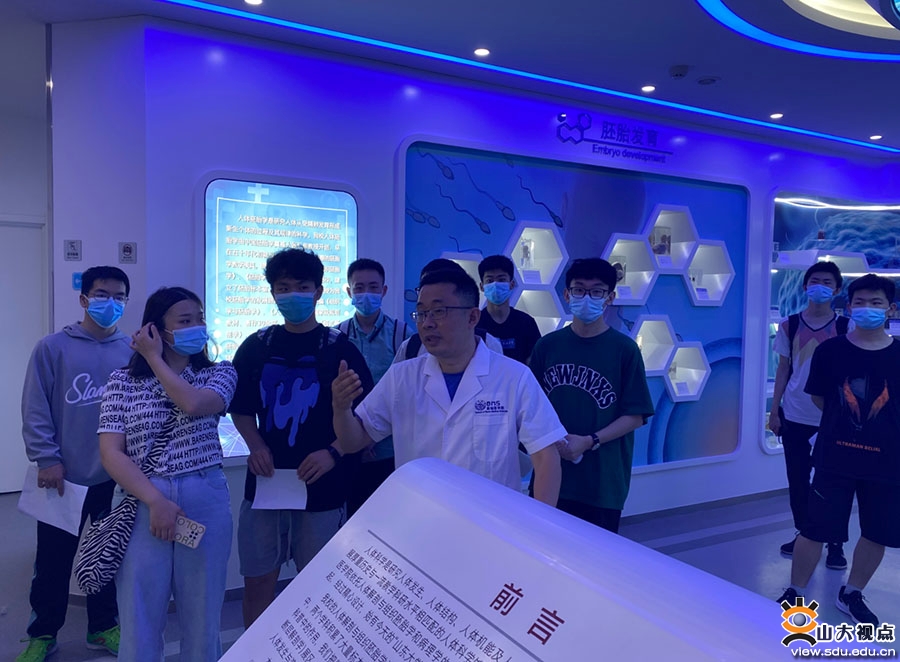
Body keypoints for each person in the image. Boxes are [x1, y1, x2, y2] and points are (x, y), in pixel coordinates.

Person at [328, 268, 564, 505]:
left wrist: (538, 522)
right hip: (418, 516)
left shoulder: (514, 377)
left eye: (439, 312)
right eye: (421, 313)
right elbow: (353, 441)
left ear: (472, 317)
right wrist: (341, 409)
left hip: (489, 520)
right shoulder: (402, 377)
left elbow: (546, 456)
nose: (427, 323)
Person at [229, 248, 373, 627]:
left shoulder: (340, 349)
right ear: (272, 293)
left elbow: (365, 420)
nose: (292, 294)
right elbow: (240, 407)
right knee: (258, 581)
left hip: (323, 486)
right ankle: (256, 652)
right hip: (266, 485)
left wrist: (333, 452)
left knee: (318, 585)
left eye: (302, 286)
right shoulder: (256, 346)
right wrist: (255, 444)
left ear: (318, 292)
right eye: (283, 287)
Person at [98, 286, 237, 661]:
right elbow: (111, 452)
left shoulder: (219, 372)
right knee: (139, 614)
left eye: (200, 318)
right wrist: (155, 500)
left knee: (203, 614)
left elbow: (193, 404)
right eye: (185, 320)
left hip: (203, 494)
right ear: (156, 330)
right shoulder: (122, 381)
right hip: (142, 498)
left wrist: (154, 359)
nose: (197, 327)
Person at [18, 266, 132, 662]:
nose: (110, 303)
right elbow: (35, 408)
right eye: (102, 295)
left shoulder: (132, 352)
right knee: (52, 561)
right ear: (84, 299)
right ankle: (42, 634)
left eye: (119, 296)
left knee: (106, 558)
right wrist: (47, 459)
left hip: (114, 478)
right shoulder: (52, 348)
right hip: (62, 477)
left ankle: (102, 627)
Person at [778, 274, 900, 627]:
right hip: (834, 457)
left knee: (876, 531)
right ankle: (796, 591)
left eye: (876, 303)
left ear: (891, 309)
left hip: (886, 462)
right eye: (859, 302)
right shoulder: (831, 351)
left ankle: (852, 592)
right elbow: (820, 399)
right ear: (848, 307)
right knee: (814, 528)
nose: (867, 308)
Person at [529, 258, 654, 534]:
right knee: (541, 548)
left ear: (610, 298)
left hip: (602, 483)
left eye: (597, 291)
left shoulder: (624, 350)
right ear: (566, 294)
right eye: (579, 290)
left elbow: (635, 415)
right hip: (550, 475)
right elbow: (530, 407)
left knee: (594, 556)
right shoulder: (547, 347)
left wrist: (589, 441)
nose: (586, 298)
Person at [769, 261, 847, 567]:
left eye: (827, 282)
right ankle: (805, 534)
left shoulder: (845, 328)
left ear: (837, 289)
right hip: (795, 415)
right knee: (798, 480)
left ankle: (835, 543)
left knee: (834, 481)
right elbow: (782, 370)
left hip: (833, 417)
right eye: (815, 281)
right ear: (805, 286)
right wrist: (774, 411)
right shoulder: (789, 325)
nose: (820, 287)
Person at [335, 258, 412, 516]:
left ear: (384, 290)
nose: (366, 294)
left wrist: (371, 435)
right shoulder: (337, 336)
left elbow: (407, 393)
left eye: (373, 287)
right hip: (347, 452)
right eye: (359, 288)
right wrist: (357, 436)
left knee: (391, 520)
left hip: (390, 452)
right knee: (351, 523)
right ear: (349, 292)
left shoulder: (403, 335)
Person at [475, 254, 542, 364]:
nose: (495, 284)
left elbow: (534, 361)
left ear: (512, 284)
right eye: (490, 280)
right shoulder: (475, 323)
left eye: (501, 279)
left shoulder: (526, 322)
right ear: (482, 287)